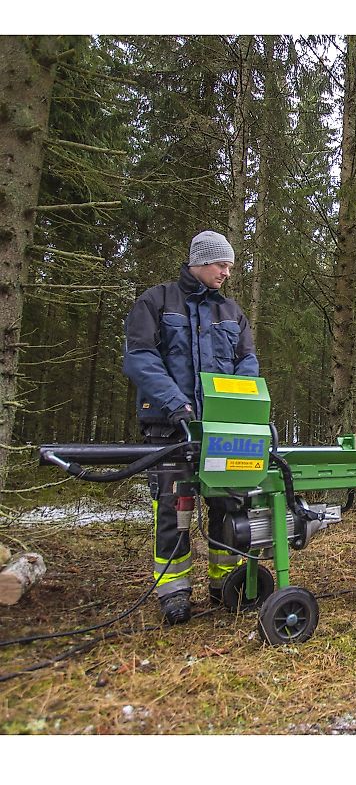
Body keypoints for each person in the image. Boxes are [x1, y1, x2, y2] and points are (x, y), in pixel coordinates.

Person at [123, 230, 259, 625]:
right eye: (221, 265)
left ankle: (226, 584)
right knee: (173, 510)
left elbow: (247, 365)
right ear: (199, 261)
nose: (227, 273)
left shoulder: (232, 313)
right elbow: (140, 359)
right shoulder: (156, 301)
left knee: (228, 505)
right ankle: (174, 593)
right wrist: (177, 405)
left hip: (222, 430)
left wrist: (240, 408)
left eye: (231, 266)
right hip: (168, 428)